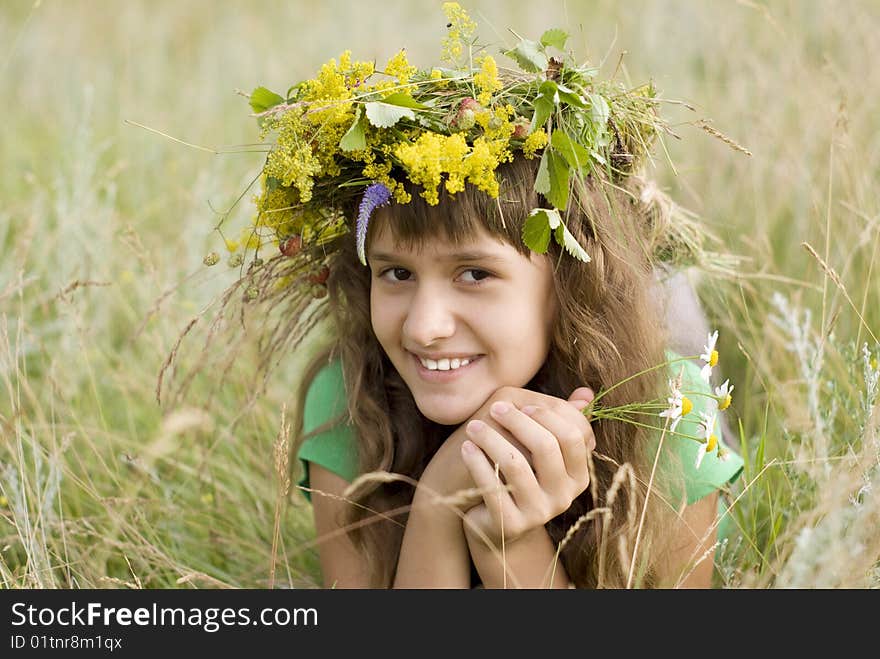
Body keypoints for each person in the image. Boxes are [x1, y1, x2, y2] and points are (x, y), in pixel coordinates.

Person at [225, 4, 744, 588]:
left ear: (568, 286)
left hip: (639, 352)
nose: (423, 328)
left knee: (670, 307)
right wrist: (440, 504)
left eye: (474, 274)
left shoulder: (665, 417)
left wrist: (508, 545)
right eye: (396, 274)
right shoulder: (351, 399)